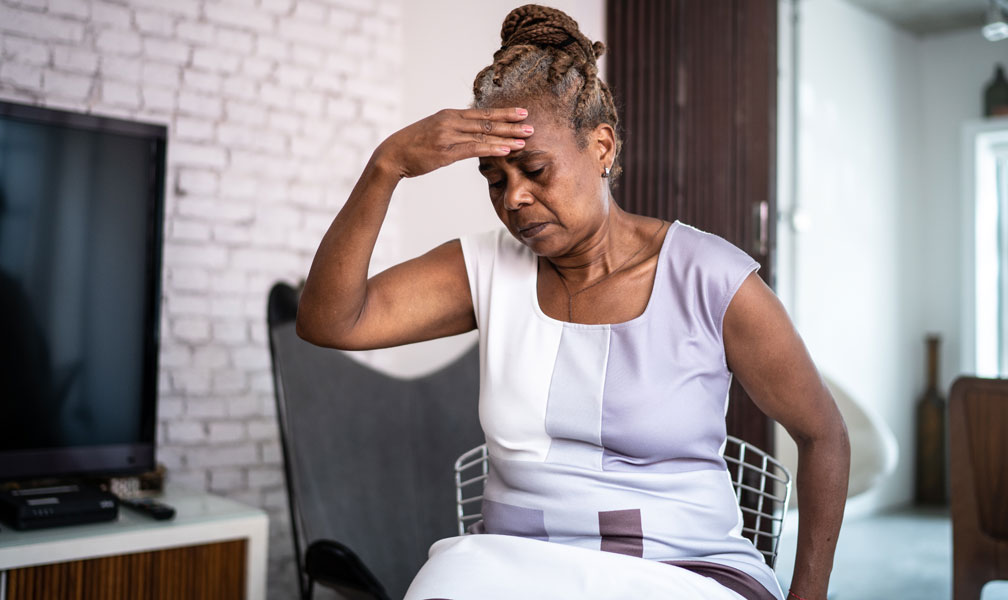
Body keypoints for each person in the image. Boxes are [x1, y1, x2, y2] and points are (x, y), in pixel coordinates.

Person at [297, 4, 850, 600]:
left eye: (535, 169)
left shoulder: (708, 279)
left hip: (681, 571)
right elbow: (329, 321)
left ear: (602, 147)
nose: (514, 199)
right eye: (494, 178)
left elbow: (823, 436)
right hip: (512, 566)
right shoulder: (486, 268)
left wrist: (808, 594)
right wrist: (388, 165)